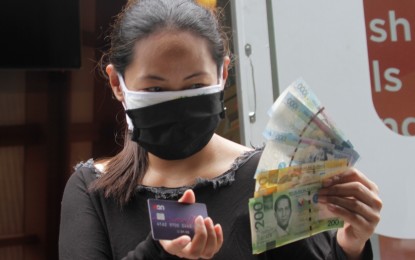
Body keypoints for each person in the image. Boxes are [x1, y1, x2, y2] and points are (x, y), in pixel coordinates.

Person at [58, 0, 382, 259]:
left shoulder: (271, 178)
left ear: (223, 73)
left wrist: (350, 246)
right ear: (117, 83)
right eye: (155, 90)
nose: (177, 104)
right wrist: (160, 253)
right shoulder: (92, 190)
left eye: (195, 85)